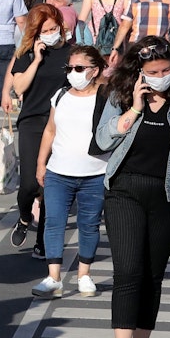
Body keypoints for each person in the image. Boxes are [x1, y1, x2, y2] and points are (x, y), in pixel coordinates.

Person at [95, 36, 170, 338]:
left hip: (169, 195)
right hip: (124, 192)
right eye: (153, 71)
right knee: (128, 271)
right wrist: (135, 107)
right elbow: (104, 139)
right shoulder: (120, 96)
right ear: (140, 71)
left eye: (166, 70)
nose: (161, 76)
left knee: (152, 276)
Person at [33, 45, 108, 297]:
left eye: (79, 68)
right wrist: (41, 163)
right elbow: (50, 131)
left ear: (95, 70)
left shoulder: (108, 96)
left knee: (89, 225)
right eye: (69, 68)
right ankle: (53, 277)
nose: (72, 73)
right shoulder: (61, 95)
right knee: (53, 223)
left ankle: (84, 274)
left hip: (95, 173)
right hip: (59, 172)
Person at [9, 4, 72, 258]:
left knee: (50, 184)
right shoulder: (26, 53)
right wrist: (36, 59)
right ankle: (24, 217)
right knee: (29, 184)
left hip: (61, 123)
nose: (50, 33)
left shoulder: (71, 53)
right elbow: (19, 87)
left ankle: (43, 241)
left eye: (53, 28)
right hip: (33, 121)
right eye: (44, 30)